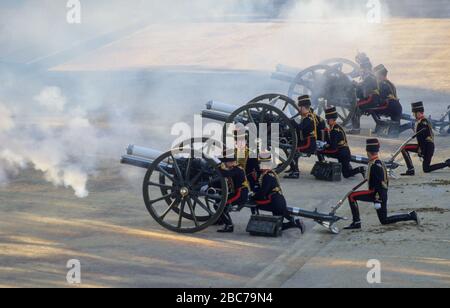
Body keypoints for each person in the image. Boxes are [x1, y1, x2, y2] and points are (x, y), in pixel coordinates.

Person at [345, 138, 420, 230]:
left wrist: (377, 199)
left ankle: (356, 222)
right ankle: (410, 216)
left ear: (368, 151)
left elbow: (380, 184)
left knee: (351, 196)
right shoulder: (379, 162)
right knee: (384, 220)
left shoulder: (375, 166)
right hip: (382, 194)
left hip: (376, 194)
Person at [253, 152, 305, 233]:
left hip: (274, 201)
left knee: (256, 205)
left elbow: (263, 192)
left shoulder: (266, 176)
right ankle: (295, 223)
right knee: (277, 226)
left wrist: (254, 197)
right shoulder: (271, 174)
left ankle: (296, 222)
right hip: (279, 199)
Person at [400, 102, 450, 176]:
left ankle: (410, 169)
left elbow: (423, 138)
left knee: (403, 148)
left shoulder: (423, 122)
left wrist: (421, 150)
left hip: (426, 146)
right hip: (428, 147)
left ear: (419, 113)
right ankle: (447, 163)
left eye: (414, 113)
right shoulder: (422, 121)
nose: (413, 115)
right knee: (426, 169)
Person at [319, 106, 366, 178]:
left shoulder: (335, 130)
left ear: (332, 119)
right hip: (342, 153)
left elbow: (333, 148)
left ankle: (361, 169)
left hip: (343, 154)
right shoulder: (335, 128)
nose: (327, 121)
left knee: (346, 174)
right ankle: (350, 168)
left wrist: (323, 151)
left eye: (328, 119)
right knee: (346, 170)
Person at [285, 95, 317, 179]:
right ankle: (293, 168)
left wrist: (291, 121)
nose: (299, 109)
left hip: (309, 143)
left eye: (300, 107)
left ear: (303, 107)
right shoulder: (307, 116)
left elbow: (300, 128)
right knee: (291, 148)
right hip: (306, 141)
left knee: (294, 150)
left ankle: (296, 172)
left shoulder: (308, 118)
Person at [349, 53, 382, 135]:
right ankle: (353, 124)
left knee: (355, 106)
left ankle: (356, 129)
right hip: (371, 98)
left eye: (362, 70)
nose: (361, 72)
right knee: (356, 106)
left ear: (366, 69)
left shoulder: (369, 77)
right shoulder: (368, 76)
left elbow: (365, 91)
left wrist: (356, 85)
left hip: (371, 98)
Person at [217, 157, 250, 233]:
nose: (224, 164)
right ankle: (221, 219)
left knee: (220, 205)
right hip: (237, 192)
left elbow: (226, 174)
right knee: (218, 202)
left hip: (240, 194)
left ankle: (229, 225)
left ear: (231, 162)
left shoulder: (238, 169)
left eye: (226, 162)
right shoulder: (235, 168)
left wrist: (218, 167)